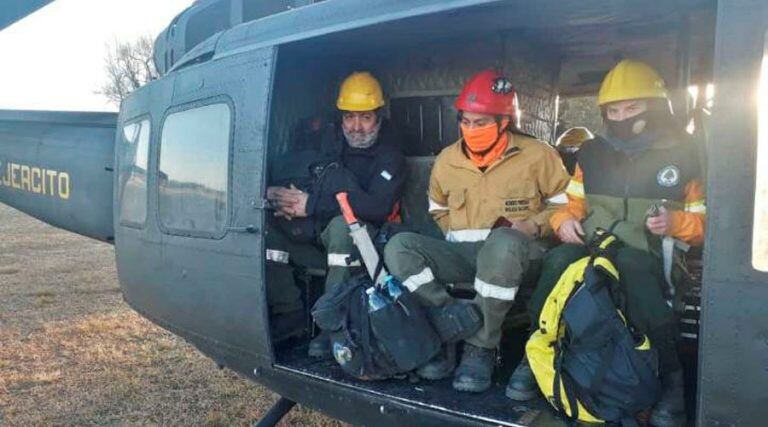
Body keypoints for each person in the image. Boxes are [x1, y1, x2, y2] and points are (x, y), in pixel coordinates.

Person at [506, 60, 706, 427]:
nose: (622, 117)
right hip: (597, 246)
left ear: (655, 105)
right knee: (559, 261)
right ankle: (535, 352)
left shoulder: (685, 153)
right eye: (614, 110)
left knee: (633, 269)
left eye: (632, 107)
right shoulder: (592, 153)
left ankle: (671, 379)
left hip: (650, 254)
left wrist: (677, 222)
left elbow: (705, 225)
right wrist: (563, 221)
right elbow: (571, 205)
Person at [384, 70, 571, 393]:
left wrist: (534, 225)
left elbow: (567, 205)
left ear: (503, 122)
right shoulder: (447, 160)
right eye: (466, 121)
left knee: (502, 245)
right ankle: (451, 320)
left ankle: (480, 347)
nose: (471, 129)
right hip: (465, 256)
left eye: (481, 122)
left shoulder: (538, 155)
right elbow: (437, 209)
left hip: (521, 256)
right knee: (399, 247)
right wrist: (455, 236)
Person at [265, 71, 406, 354]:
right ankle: (290, 312)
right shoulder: (330, 145)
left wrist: (312, 205)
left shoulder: (390, 157)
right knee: (264, 230)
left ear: (379, 117)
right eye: (350, 117)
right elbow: (305, 178)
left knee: (344, 227)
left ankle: (333, 327)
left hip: (369, 249)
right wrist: (277, 196)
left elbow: (376, 207)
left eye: (365, 117)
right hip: (317, 238)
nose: (356, 126)